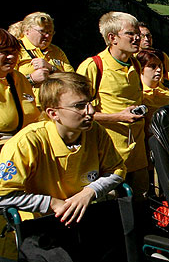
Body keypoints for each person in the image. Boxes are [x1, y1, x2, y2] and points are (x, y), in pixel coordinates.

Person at [0, 72, 126, 225]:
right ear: (53, 113)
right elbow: (4, 195)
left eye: (90, 103)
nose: (91, 111)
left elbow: (117, 170)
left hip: (85, 216)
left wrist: (89, 192)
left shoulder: (95, 132)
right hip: (40, 225)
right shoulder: (27, 142)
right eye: (79, 106)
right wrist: (51, 203)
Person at [77, 12, 148, 199]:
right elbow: (77, 113)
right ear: (112, 38)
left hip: (138, 155)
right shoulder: (92, 67)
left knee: (141, 204)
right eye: (130, 34)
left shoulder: (136, 65)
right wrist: (118, 117)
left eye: (138, 34)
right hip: (109, 158)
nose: (137, 38)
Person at [17, 12, 75, 103]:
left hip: (55, 106)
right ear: (27, 30)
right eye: (42, 31)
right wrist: (31, 79)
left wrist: (52, 69)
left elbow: (73, 80)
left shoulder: (57, 51)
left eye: (50, 32)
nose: (47, 36)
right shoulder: (14, 50)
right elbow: (4, 83)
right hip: (27, 109)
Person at [0, 29, 40, 145]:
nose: (12, 57)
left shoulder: (18, 78)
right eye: (5, 52)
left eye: (15, 52)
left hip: (24, 144)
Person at [137, 49, 169, 132]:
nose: (159, 70)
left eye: (160, 66)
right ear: (141, 69)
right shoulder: (137, 93)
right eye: (152, 66)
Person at [137, 22, 169, 86]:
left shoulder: (160, 55)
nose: (146, 39)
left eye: (148, 36)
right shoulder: (132, 57)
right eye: (142, 36)